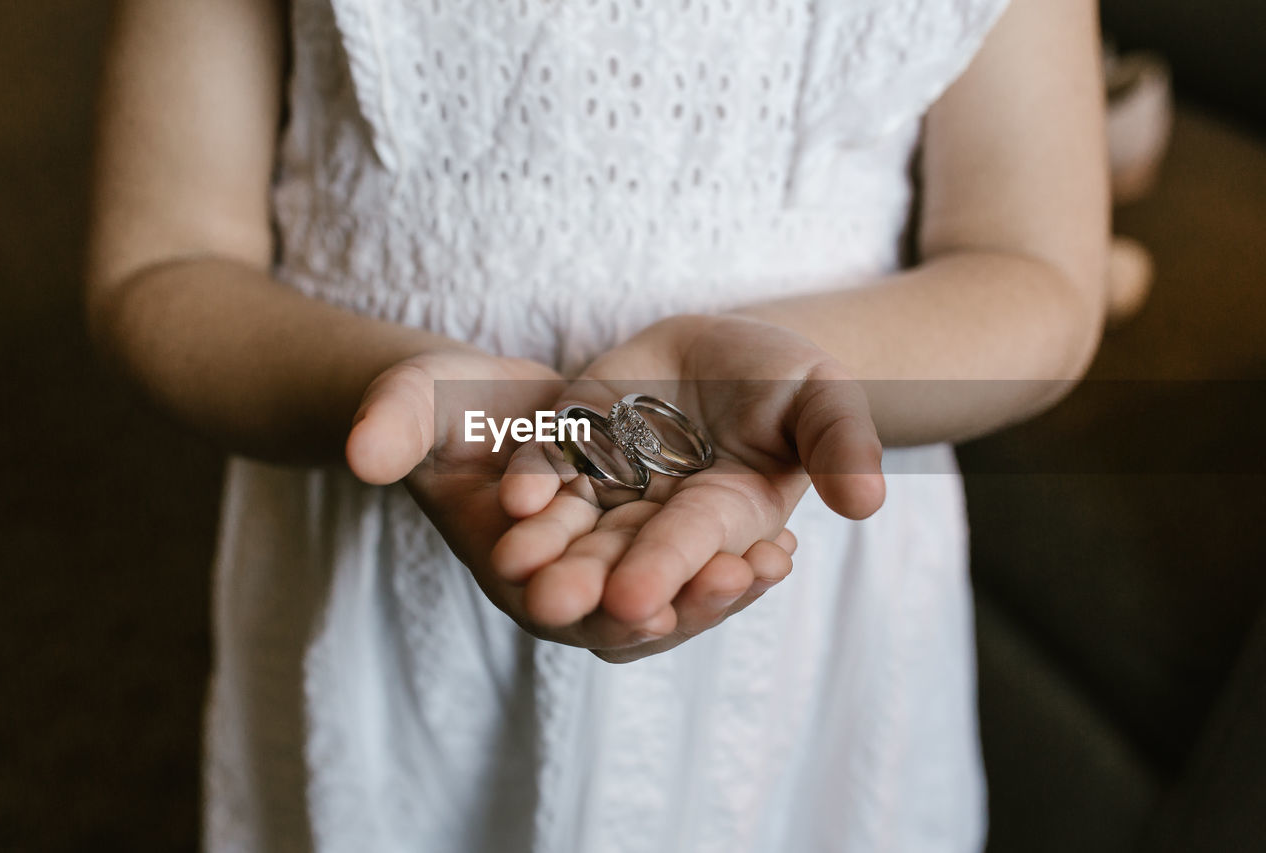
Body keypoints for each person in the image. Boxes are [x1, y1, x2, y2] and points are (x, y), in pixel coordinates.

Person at [85, 0, 1107, 849]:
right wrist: (392, 384)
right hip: (381, 592)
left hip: (796, 598)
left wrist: (781, 378)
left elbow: (1038, 279)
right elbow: (161, 260)